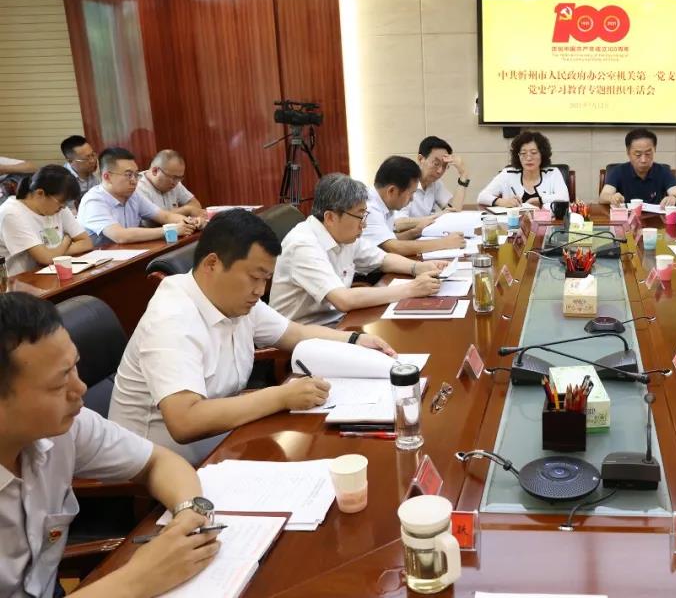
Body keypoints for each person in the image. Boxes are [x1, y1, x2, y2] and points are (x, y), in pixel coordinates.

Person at [108, 209, 398, 465]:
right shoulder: (171, 318)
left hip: (224, 438)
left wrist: (355, 341)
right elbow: (185, 421)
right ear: (212, 264)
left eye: (265, 279)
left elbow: (295, 333)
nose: (260, 290)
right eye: (254, 277)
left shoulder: (235, 299)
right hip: (164, 464)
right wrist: (281, 396)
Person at [0, 292, 221, 598]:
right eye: (59, 382)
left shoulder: (65, 427)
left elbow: (158, 462)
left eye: (74, 366)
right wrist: (136, 580)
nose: (80, 388)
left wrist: (187, 513)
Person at [271, 174, 445, 325]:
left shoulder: (343, 234)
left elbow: (382, 259)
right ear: (330, 217)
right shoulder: (303, 245)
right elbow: (343, 300)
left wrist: (418, 267)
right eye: (360, 215)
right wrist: (411, 289)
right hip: (303, 336)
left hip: (338, 321)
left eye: (364, 215)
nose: (364, 224)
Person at [77, 147, 198, 246]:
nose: (134, 181)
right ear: (107, 177)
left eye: (136, 175)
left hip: (128, 255)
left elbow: (165, 216)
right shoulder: (94, 201)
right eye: (128, 175)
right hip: (99, 263)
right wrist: (170, 230)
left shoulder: (133, 196)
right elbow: (120, 236)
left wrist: (190, 222)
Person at [360, 156, 466, 257]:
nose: (411, 199)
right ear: (392, 191)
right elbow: (394, 248)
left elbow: (387, 239)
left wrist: (415, 232)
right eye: (411, 193)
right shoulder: (369, 208)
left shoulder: (385, 202)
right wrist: (444, 243)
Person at [0, 165, 93, 276]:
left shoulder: (58, 207)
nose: (64, 207)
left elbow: (87, 243)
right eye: (61, 201)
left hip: (51, 273)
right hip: (22, 280)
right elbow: (46, 258)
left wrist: (54, 254)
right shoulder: (11, 213)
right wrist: (67, 241)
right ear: (40, 193)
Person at [476, 131, 569, 208]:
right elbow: (482, 197)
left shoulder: (553, 173)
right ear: (518, 156)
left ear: (542, 154)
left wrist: (539, 200)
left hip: (546, 222)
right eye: (523, 153)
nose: (528, 158)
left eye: (533, 153)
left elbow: (564, 198)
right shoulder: (508, 174)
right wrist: (502, 202)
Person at [599, 128, 676, 207]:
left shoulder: (663, 171)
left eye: (648, 154)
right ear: (628, 152)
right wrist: (612, 198)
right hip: (626, 217)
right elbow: (603, 196)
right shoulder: (618, 171)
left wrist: (674, 198)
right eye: (638, 154)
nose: (643, 160)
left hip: (655, 218)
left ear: (655, 150)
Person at [396, 136, 467, 226]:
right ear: (420, 159)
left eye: (444, 166)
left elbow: (453, 210)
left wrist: (463, 174)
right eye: (436, 164)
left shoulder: (435, 183)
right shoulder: (404, 180)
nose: (440, 171)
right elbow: (399, 223)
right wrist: (438, 216)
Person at [136, 149, 206, 226]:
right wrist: (187, 210)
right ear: (155, 171)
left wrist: (192, 215)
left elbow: (195, 204)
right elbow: (152, 220)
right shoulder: (138, 187)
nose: (176, 182)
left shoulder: (175, 182)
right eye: (174, 177)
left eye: (179, 178)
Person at [60, 135, 99, 202]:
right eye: (86, 159)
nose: (92, 161)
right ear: (70, 161)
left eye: (93, 155)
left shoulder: (96, 170)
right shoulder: (63, 181)